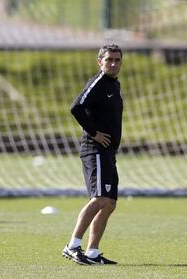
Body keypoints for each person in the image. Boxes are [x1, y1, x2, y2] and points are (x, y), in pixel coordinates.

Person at [62, 44, 124, 265]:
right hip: (94, 149)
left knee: (109, 203)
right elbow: (76, 107)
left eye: (117, 60)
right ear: (100, 62)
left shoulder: (113, 85)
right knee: (99, 199)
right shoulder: (98, 83)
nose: (114, 64)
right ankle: (73, 246)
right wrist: (95, 133)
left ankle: (92, 252)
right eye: (109, 60)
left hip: (108, 152)